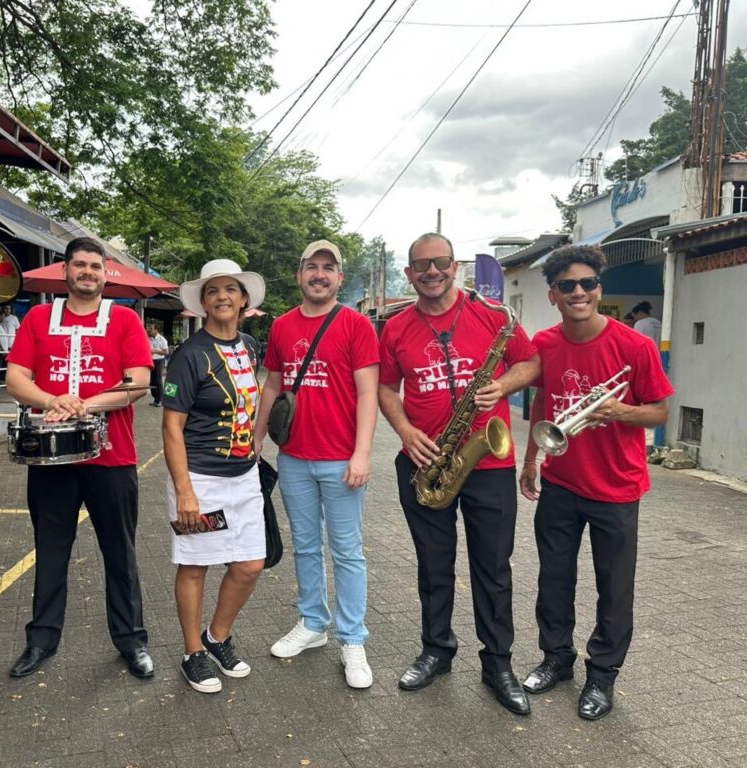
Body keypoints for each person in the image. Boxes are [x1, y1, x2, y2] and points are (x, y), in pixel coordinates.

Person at [377, 233, 540, 715]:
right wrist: (405, 430)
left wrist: (502, 385)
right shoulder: (396, 327)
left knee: (493, 568)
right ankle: (436, 650)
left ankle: (498, 664)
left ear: (455, 267)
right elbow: (385, 387)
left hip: (488, 462)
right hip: (425, 460)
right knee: (433, 565)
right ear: (408, 273)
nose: (432, 271)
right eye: (421, 265)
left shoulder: (493, 316)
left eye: (441, 262)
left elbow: (531, 362)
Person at [520, 245, 673, 721]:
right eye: (567, 286)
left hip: (616, 488)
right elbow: (542, 403)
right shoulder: (545, 343)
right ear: (553, 295)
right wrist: (531, 459)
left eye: (587, 283)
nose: (579, 292)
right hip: (561, 482)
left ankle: (602, 675)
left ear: (599, 290)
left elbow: (660, 412)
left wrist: (620, 410)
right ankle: (556, 658)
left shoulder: (635, 346)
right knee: (554, 578)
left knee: (614, 587)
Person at [5, 237, 155, 680]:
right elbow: (15, 379)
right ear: (65, 271)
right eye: (80, 265)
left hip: (113, 456)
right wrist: (53, 399)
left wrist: (83, 405)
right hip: (51, 459)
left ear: (105, 273)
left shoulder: (125, 319)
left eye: (95, 265)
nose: (88, 272)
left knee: (120, 553)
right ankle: (41, 641)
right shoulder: (38, 317)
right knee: (50, 551)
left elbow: (139, 382)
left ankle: (131, 641)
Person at [254, 239, 379, 690]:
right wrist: (256, 437)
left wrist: (362, 453)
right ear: (300, 274)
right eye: (312, 267)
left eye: (328, 268)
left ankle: (353, 639)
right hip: (294, 458)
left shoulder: (356, 325)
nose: (319, 274)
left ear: (339, 278)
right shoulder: (282, 326)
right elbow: (272, 385)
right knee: (306, 546)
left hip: (342, 459)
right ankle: (312, 623)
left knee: (347, 551)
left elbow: (368, 392)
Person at [162, 259, 268, 694]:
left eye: (230, 289)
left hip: (245, 478)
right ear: (203, 303)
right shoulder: (189, 355)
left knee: (250, 564)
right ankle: (193, 653)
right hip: (201, 480)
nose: (222, 296)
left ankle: (216, 637)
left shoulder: (250, 346)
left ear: (243, 299)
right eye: (213, 290)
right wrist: (185, 491)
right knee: (196, 565)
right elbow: (171, 427)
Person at [148, 323, 169, 406]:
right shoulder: (149, 339)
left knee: (158, 380)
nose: (150, 330)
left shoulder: (162, 339)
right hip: (151, 360)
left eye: (152, 329)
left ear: (156, 330)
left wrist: (156, 351)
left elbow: (166, 352)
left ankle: (160, 400)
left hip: (159, 360)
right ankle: (156, 399)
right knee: (151, 381)